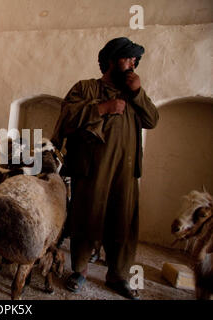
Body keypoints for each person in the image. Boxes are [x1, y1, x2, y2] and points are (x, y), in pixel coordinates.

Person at [51, 37, 159, 300]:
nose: (133, 63)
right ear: (111, 60)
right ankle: (80, 270)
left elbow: (152, 120)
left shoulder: (134, 95)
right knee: (86, 218)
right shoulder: (86, 88)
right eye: (128, 58)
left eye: (136, 60)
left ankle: (117, 275)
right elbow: (66, 119)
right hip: (91, 171)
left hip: (126, 171)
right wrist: (103, 108)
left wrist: (137, 94)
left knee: (122, 222)